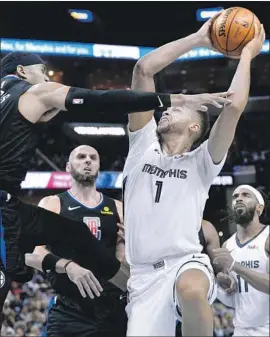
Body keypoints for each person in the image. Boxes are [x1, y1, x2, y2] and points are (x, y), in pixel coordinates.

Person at [0, 49, 227, 325]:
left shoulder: (8, 98)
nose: (48, 78)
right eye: (42, 72)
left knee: (73, 234)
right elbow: (99, 99)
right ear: (22, 71)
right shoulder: (33, 93)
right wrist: (175, 99)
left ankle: (128, 287)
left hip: (112, 302)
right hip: (67, 307)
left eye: (92, 156)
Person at [122, 10, 265, 336]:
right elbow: (144, 69)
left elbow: (234, 106)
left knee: (191, 288)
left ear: (195, 125)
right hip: (142, 278)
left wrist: (246, 54)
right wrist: (201, 37)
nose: (168, 106)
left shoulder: (202, 163)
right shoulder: (141, 146)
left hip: (186, 261)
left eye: (179, 106)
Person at [31, 145, 127, 337]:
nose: (88, 161)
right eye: (81, 157)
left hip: (111, 308)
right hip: (70, 310)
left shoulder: (118, 207)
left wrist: (124, 247)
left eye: (93, 157)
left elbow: (121, 264)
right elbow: (32, 254)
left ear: (99, 166)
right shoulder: (53, 204)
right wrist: (68, 266)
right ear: (68, 167)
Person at [213, 185, 269, 336]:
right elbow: (232, 297)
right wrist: (221, 281)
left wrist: (235, 266)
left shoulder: (267, 238)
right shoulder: (228, 245)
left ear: (259, 208)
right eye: (235, 196)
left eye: (246, 195)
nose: (238, 198)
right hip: (241, 329)